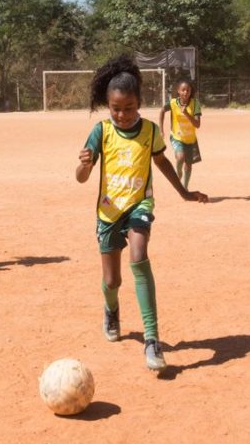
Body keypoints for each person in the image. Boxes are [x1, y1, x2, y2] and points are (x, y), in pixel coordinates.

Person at [76, 55, 208, 372]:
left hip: (139, 205)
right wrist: (83, 163)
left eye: (129, 107)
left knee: (138, 255)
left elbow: (162, 163)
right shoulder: (101, 132)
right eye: (116, 108)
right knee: (112, 280)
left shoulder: (149, 131)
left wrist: (184, 193)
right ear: (108, 105)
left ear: (140, 103)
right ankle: (111, 310)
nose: (122, 115)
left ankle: (152, 339)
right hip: (108, 213)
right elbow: (81, 177)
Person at [159, 79, 202, 189]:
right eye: (183, 90)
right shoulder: (173, 103)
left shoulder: (195, 103)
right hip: (176, 137)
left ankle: (185, 188)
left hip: (191, 140)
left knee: (188, 165)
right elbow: (162, 111)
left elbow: (197, 124)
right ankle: (178, 173)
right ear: (178, 91)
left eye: (188, 90)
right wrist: (161, 129)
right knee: (180, 157)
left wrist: (187, 114)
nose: (185, 92)